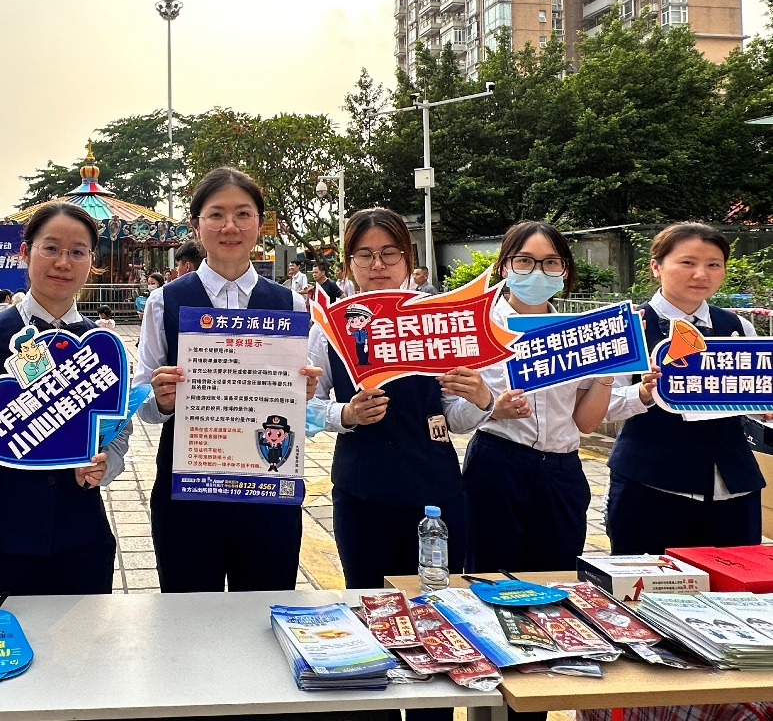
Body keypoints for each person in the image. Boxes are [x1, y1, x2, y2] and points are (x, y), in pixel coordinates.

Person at [139, 168, 321, 593]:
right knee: (188, 613)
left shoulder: (291, 304)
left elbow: (304, 403)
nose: (230, 226)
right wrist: (161, 399)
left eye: (243, 213)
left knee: (264, 608)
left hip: (268, 489)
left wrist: (305, 391)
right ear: (196, 224)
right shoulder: (164, 301)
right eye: (216, 214)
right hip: (188, 488)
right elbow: (143, 398)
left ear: (260, 223)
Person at [0, 203, 132, 597]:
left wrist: (107, 464)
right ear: (25, 252)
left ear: (91, 261)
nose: (63, 262)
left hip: (80, 536)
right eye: (51, 248)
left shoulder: (104, 345)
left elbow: (119, 429)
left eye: (78, 251)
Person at [308, 208, 494, 592]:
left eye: (389, 253)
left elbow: (452, 416)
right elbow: (304, 403)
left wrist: (481, 400)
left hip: (434, 493)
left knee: (438, 602)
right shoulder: (330, 328)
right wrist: (346, 413)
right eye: (365, 254)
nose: (377, 265)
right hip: (361, 491)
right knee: (368, 598)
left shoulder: (437, 320)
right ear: (349, 263)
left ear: (408, 258)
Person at [463, 222, 615, 575]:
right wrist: (493, 408)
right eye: (524, 261)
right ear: (504, 267)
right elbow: (455, 410)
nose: (537, 271)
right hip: (498, 465)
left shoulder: (579, 333)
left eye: (550, 262)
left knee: (558, 577)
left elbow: (585, 422)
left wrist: (607, 372)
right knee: (491, 577)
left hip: (562, 472)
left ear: (564, 270)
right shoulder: (478, 327)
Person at [605, 222, 764, 555]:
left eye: (713, 264)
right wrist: (643, 393)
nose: (701, 274)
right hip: (651, 485)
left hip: (733, 487)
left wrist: (763, 407)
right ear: (656, 267)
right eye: (687, 262)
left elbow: (751, 397)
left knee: (736, 580)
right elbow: (601, 406)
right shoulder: (629, 326)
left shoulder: (737, 327)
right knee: (646, 581)